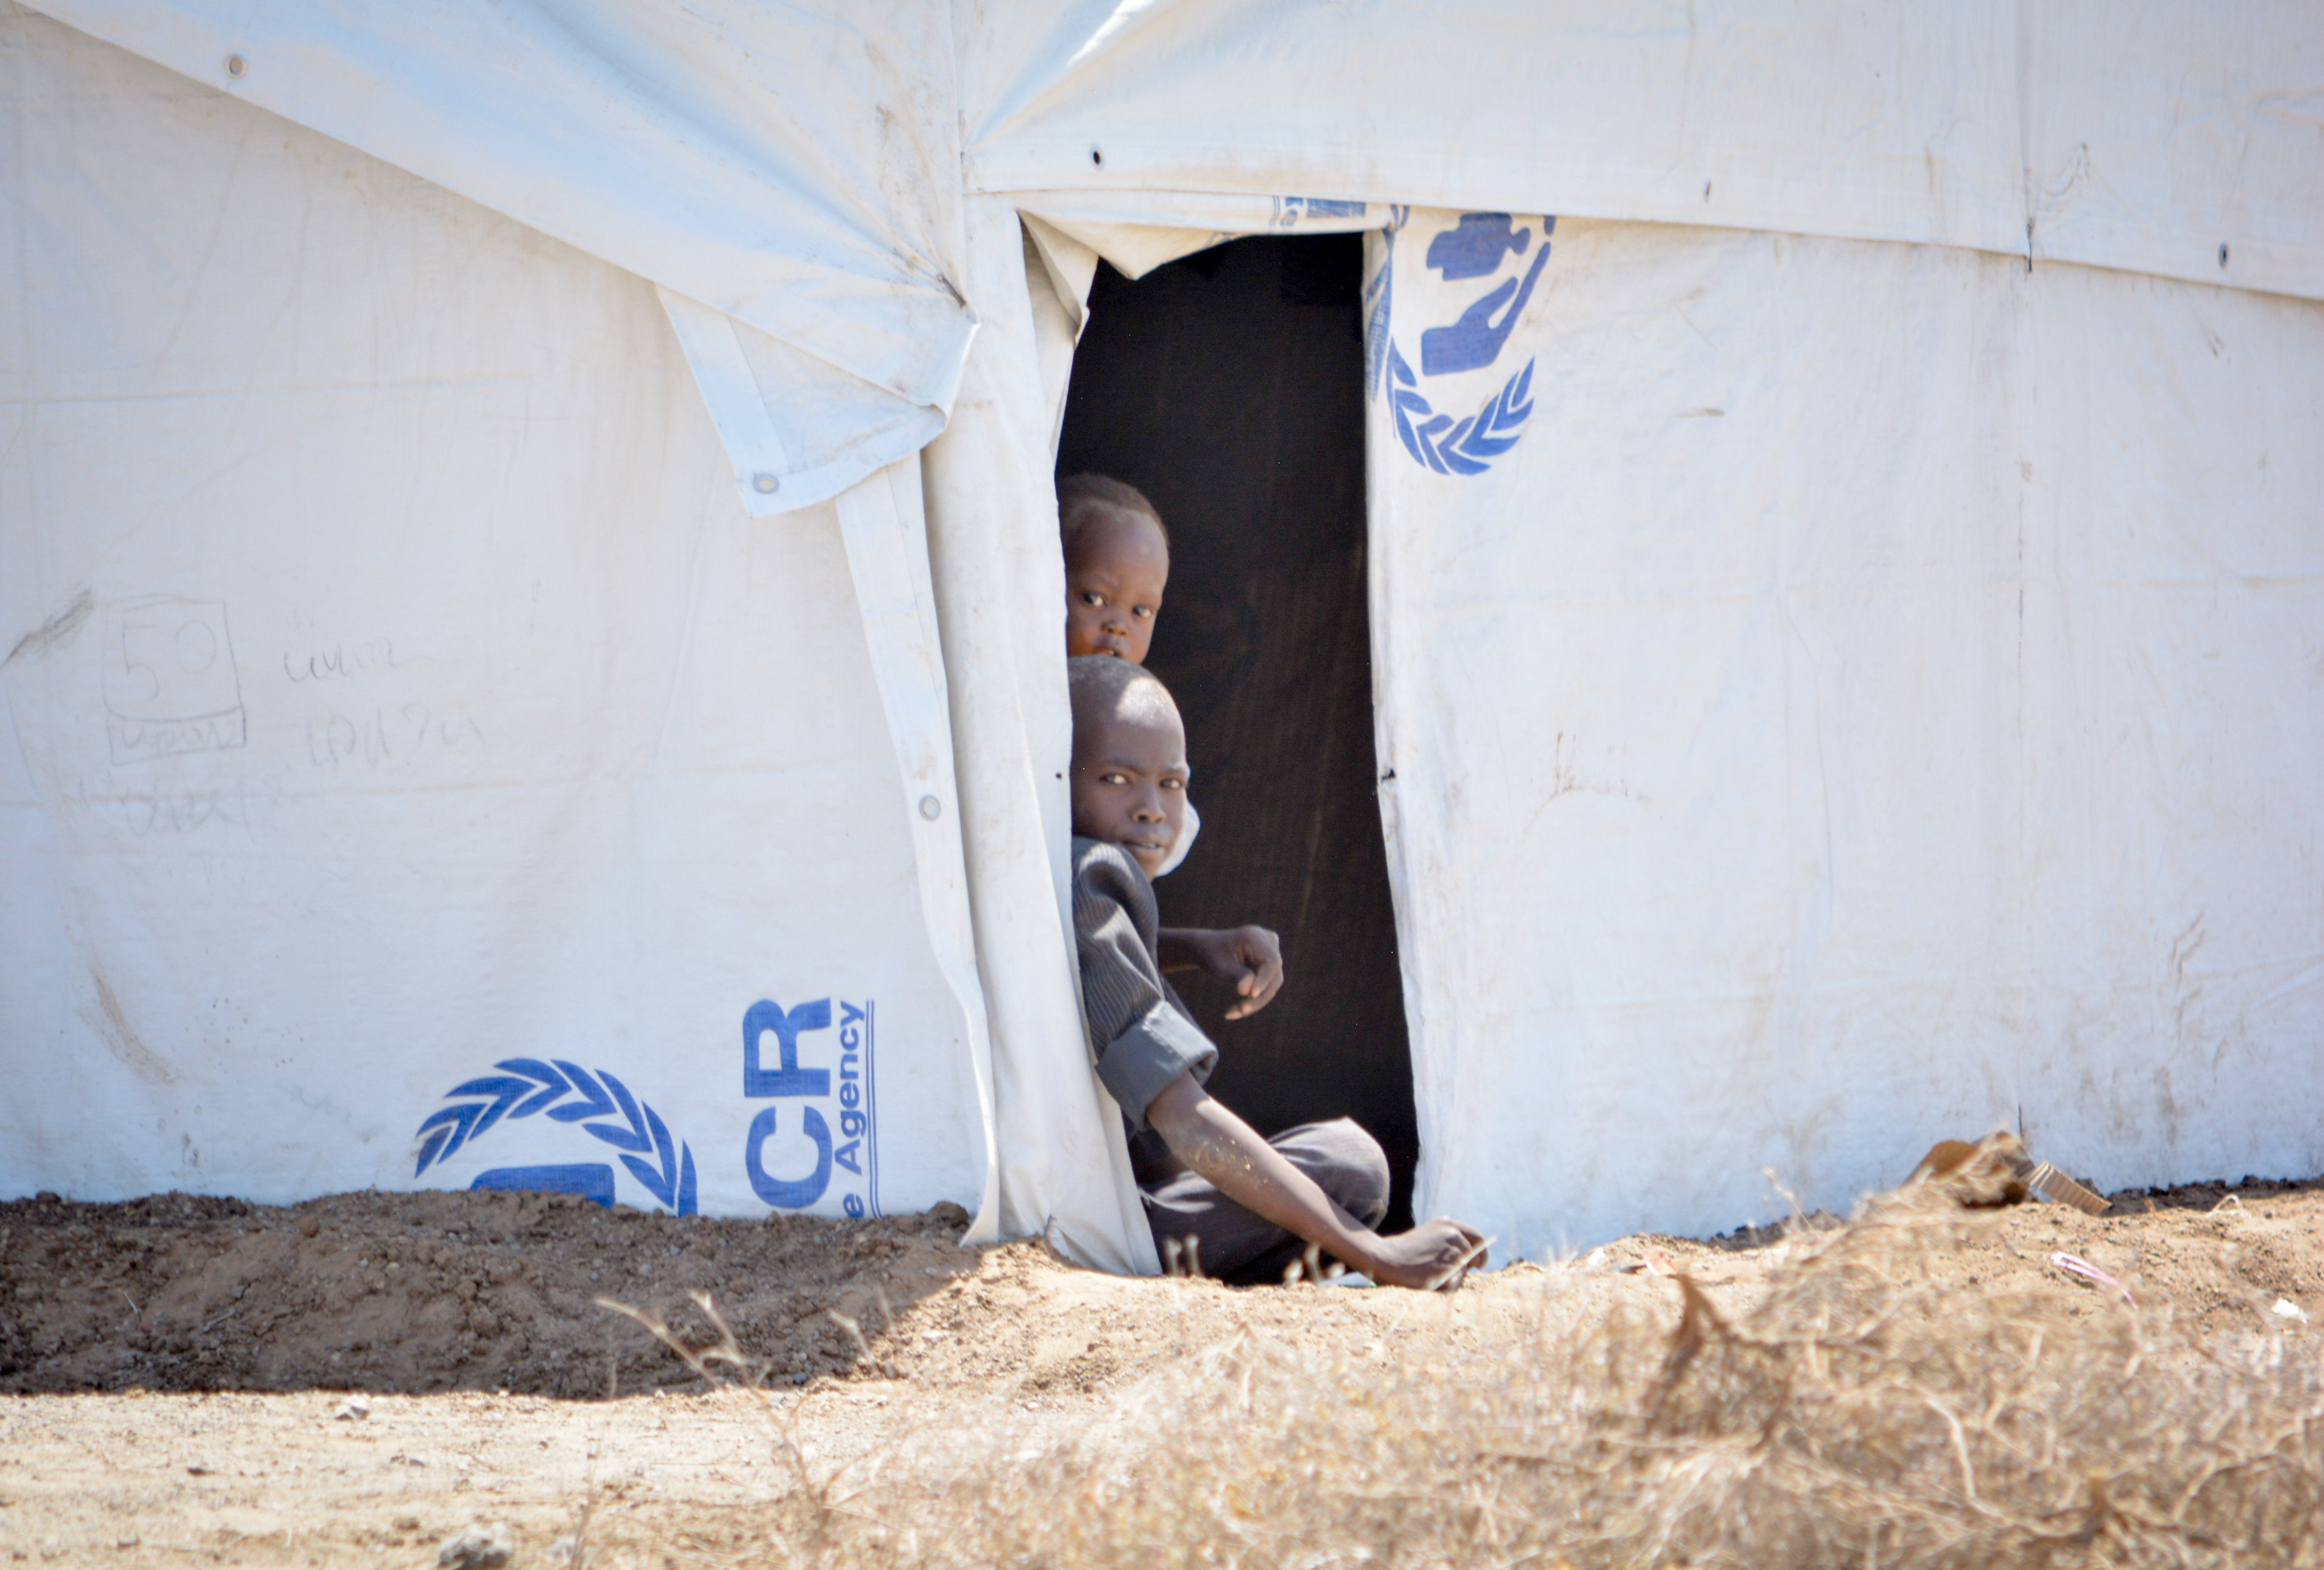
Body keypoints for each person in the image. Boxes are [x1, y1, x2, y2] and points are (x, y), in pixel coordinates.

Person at [1067, 654, 1488, 1288]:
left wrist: (1195, 945)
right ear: (1058, 779)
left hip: (1135, 1205)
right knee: (1352, 1168)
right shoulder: (1092, 876)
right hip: (1120, 1229)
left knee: (1345, 1162)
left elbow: (1092, 964)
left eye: (1173, 784)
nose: (1152, 808)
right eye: (1116, 778)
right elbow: (1180, 1114)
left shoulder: (1058, 872)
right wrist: (1377, 1252)